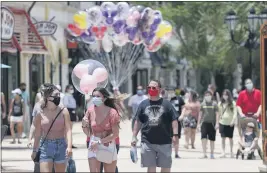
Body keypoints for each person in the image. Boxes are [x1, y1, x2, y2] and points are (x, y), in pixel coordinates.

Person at [131, 80, 178, 173]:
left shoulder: (167, 104)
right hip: (147, 141)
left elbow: (174, 120)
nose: (151, 89)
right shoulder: (143, 104)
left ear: (159, 89)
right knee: (150, 167)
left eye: (154, 88)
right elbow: (138, 121)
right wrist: (134, 136)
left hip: (164, 141)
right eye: (149, 87)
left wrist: (175, 135)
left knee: (166, 167)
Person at [31, 84, 72, 172]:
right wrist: (34, 150)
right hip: (45, 146)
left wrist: (69, 147)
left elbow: (68, 130)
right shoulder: (40, 113)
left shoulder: (64, 111)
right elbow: (38, 133)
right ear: (48, 97)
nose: (58, 97)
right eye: (56, 95)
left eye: (59, 94)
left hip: (61, 145)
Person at [82, 87, 120, 172]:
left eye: (98, 96)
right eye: (93, 96)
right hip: (93, 143)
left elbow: (115, 134)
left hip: (108, 144)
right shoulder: (90, 110)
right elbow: (88, 133)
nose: (95, 98)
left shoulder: (112, 112)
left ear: (105, 98)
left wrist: (99, 142)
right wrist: (84, 125)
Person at [197, 90, 219, 159]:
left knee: (212, 139)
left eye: (209, 95)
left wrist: (217, 123)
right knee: (203, 138)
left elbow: (217, 114)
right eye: (206, 95)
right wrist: (198, 124)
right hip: (204, 123)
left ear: (211, 96)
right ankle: (204, 154)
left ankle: (212, 154)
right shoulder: (202, 104)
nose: (207, 96)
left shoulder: (214, 104)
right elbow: (200, 115)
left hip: (212, 123)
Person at [218, 89, 237, 158]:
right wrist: (217, 122)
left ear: (229, 95)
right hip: (222, 122)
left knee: (230, 138)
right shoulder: (220, 103)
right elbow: (218, 113)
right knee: (223, 138)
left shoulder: (233, 103)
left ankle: (231, 152)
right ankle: (223, 152)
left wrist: (233, 121)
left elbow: (235, 113)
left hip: (230, 123)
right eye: (223, 94)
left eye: (226, 94)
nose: (225, 96)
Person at [170, 87, 185, 158]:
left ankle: (176, 153)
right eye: (169, 91)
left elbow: (183, 107)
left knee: (176, 136)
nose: (170, 93)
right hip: (167, 121)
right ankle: (168, 153)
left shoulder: (179, 99)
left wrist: (182, 115)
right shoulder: (165, 99)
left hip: (177, 120)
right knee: (168, 137)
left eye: (171, 91)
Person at [63, 84, 77, 149]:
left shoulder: (70, 95)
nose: (71, 90)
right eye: (70, 88)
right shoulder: (66, 96)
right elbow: (65, 104)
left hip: (72, 111)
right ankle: (67, 143)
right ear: (67, 89)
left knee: (70, 129)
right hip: (69, 111)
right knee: (68, 129)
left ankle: (70, 142)